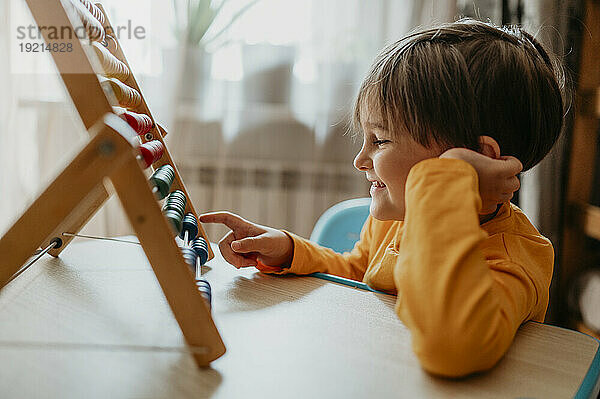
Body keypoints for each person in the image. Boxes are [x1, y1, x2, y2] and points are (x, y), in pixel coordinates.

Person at [200, 19, 565, 377]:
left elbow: (452, 346)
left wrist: (448, 179)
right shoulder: (395, 220)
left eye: (381, 140)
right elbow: (360, 273)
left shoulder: (515, 258)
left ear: (477, 159)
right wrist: (290, 250)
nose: (360, 160)